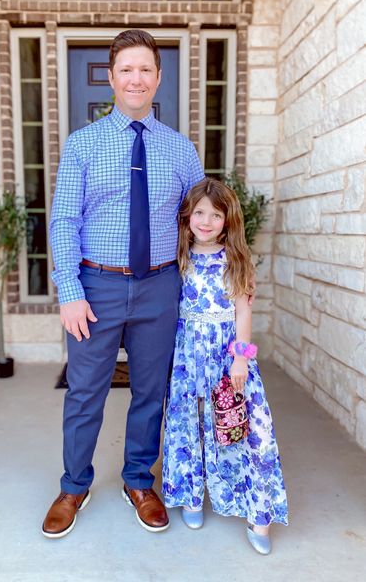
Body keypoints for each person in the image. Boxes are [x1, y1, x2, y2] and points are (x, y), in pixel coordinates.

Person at [42, 29, 204, 538]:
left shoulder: (181, 150)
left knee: (150, 392)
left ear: (159, 78)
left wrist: (209, 287)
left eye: (146, 70)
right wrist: (69, 291)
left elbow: (198, 221)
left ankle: (139, 479)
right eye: (126, 70)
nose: (136, 79)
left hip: (161, 287)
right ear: (111, 78)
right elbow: (64, 219)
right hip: (96, 287)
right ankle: (74, 485)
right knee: (86, 391)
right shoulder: (84, 144)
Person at [162, 178, 288, 554]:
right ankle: (191, 494)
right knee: (190, 420)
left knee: (245, 425)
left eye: (215, 215)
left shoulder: (234, 259)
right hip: (188, 354)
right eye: (199, 213)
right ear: (187, 216)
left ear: (227, 220)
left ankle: (258, 512)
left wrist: (240, 358)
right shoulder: (179, 255)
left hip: (226, 354)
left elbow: (243, 310)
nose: (206, 221)